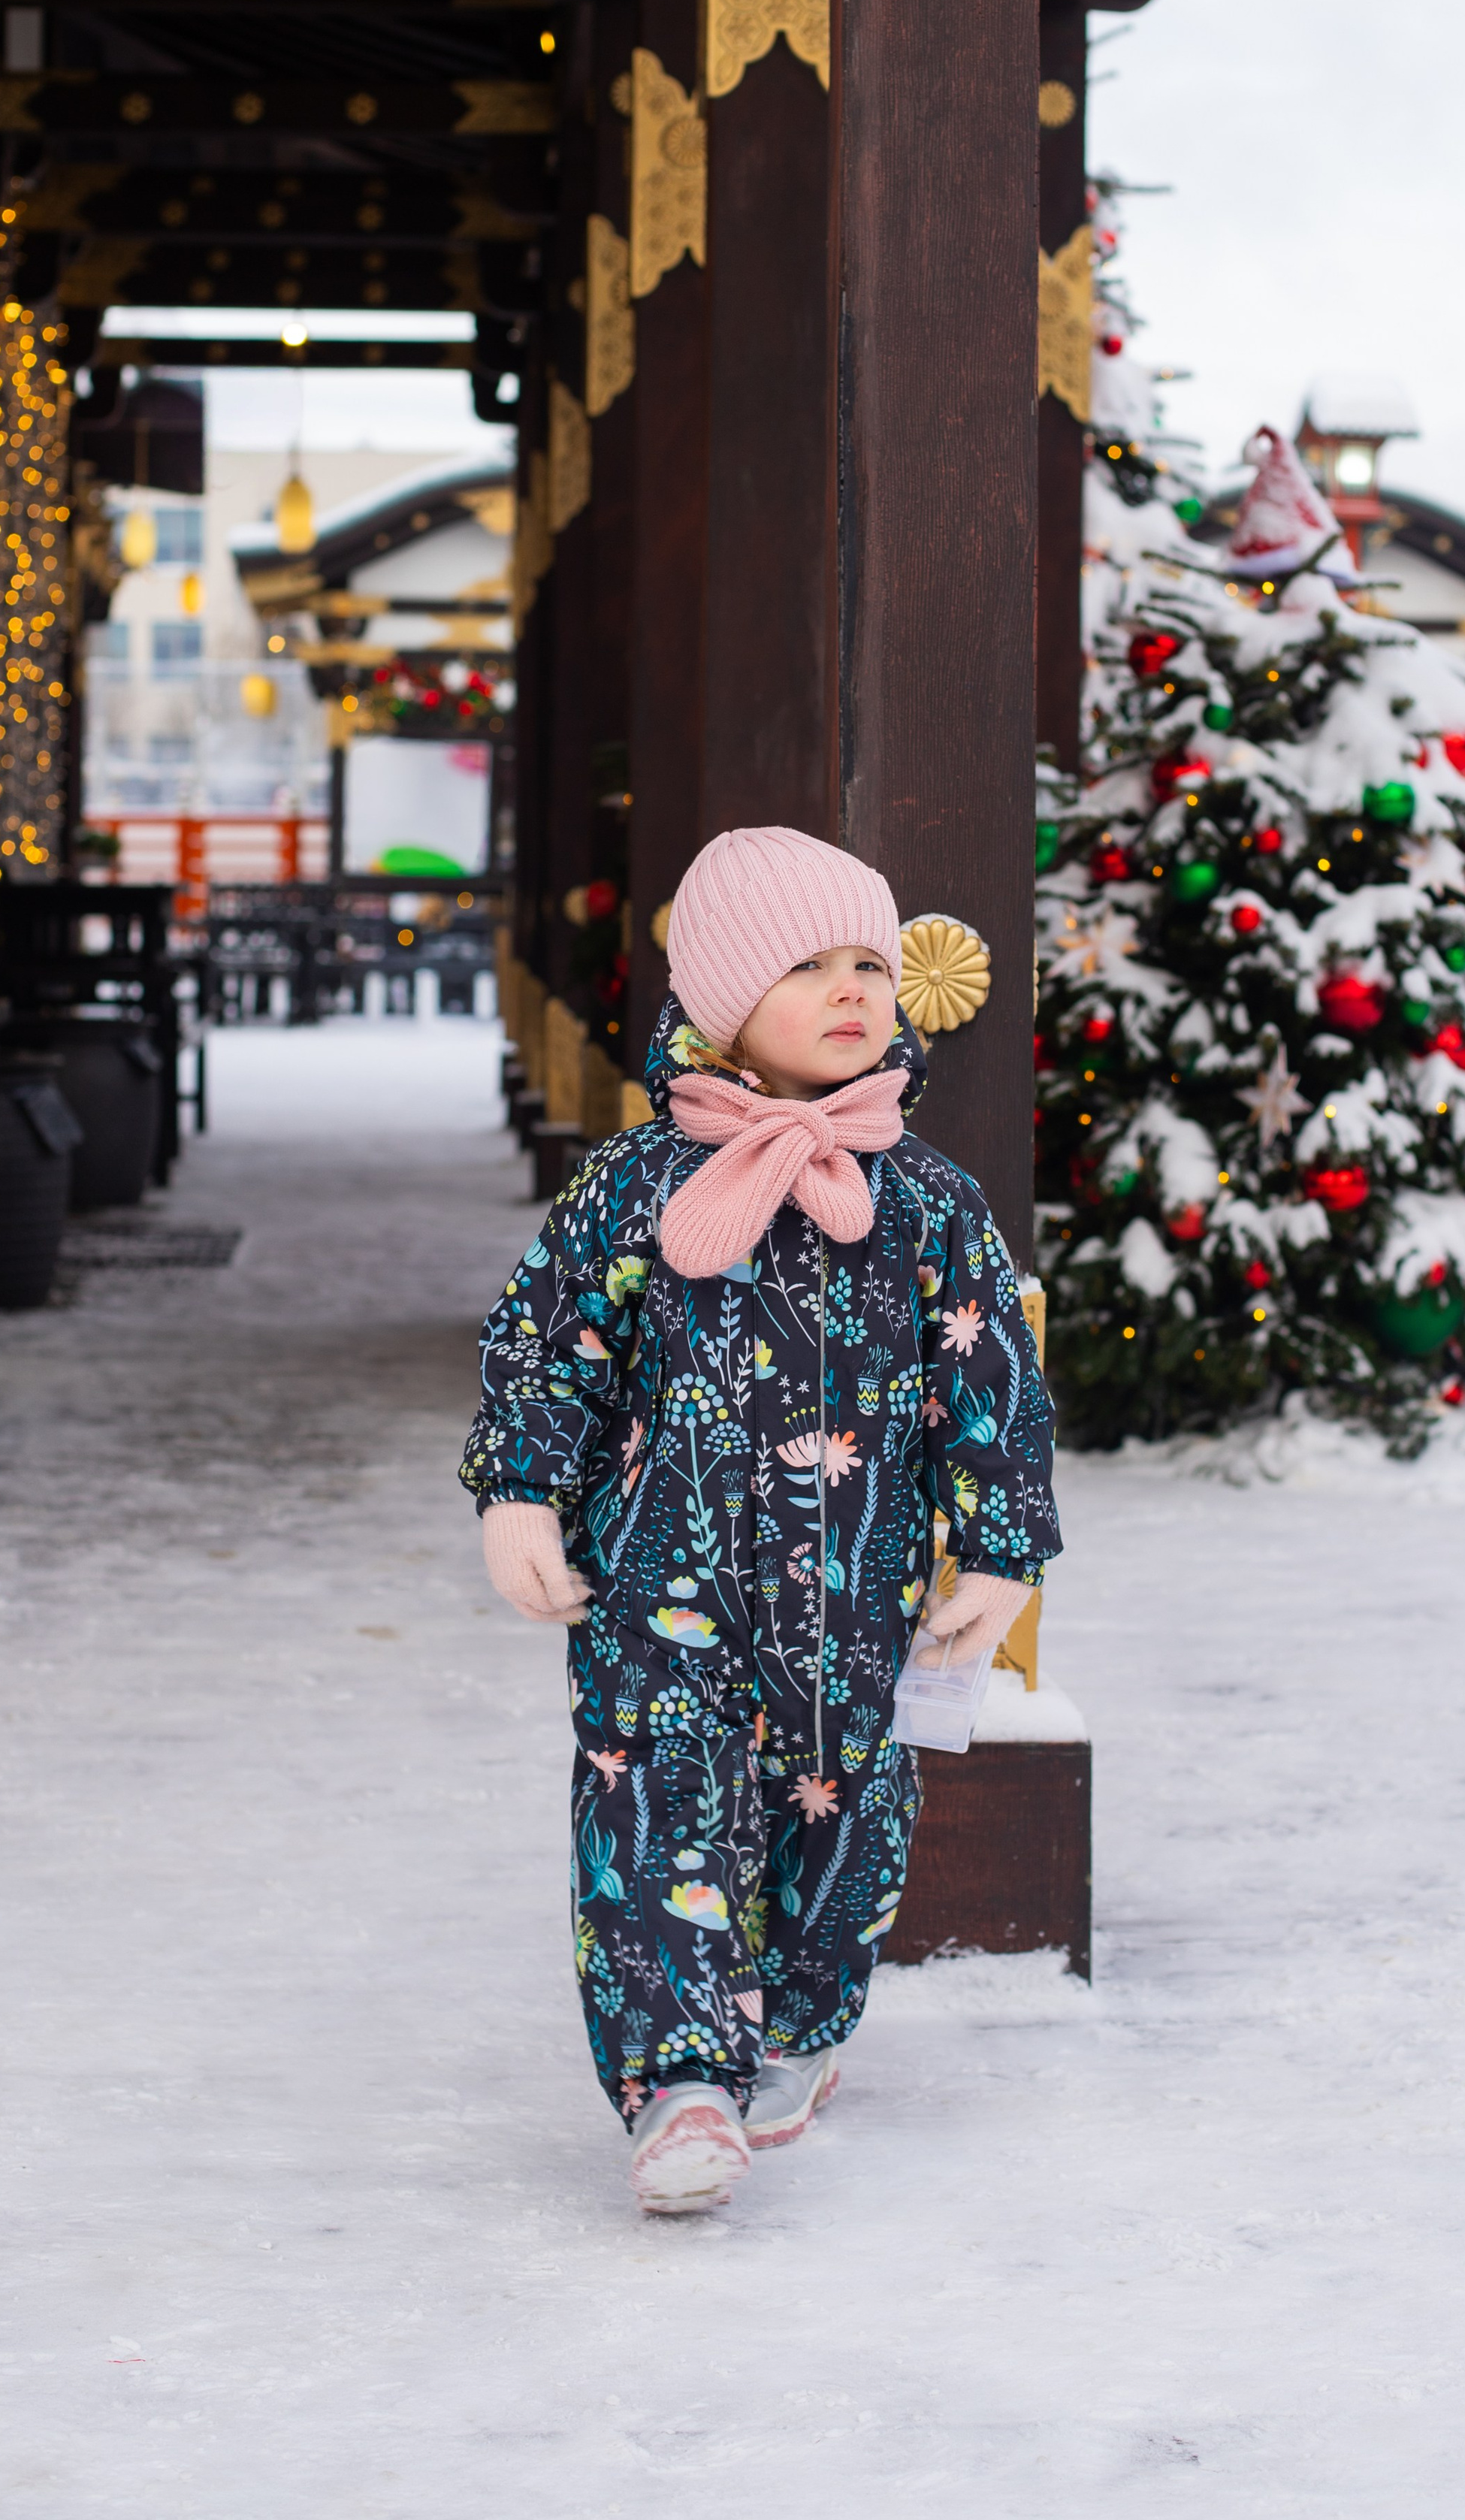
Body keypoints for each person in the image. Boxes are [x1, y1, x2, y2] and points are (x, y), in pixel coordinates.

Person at [461, 826, 1061, 2214]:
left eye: (868, 960)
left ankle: (799, 2022)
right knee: (655, 1805)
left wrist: (1004, 1549)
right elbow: (547, 1348)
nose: (853, 989)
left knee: (844, 1817)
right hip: (661, 1592)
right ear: (725, 998)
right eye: (806, 965)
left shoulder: (925, 1200)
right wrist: (519, 1492)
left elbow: (993, 1383)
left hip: (856, 1600)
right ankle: (678, 2079)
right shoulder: (632, 1188)